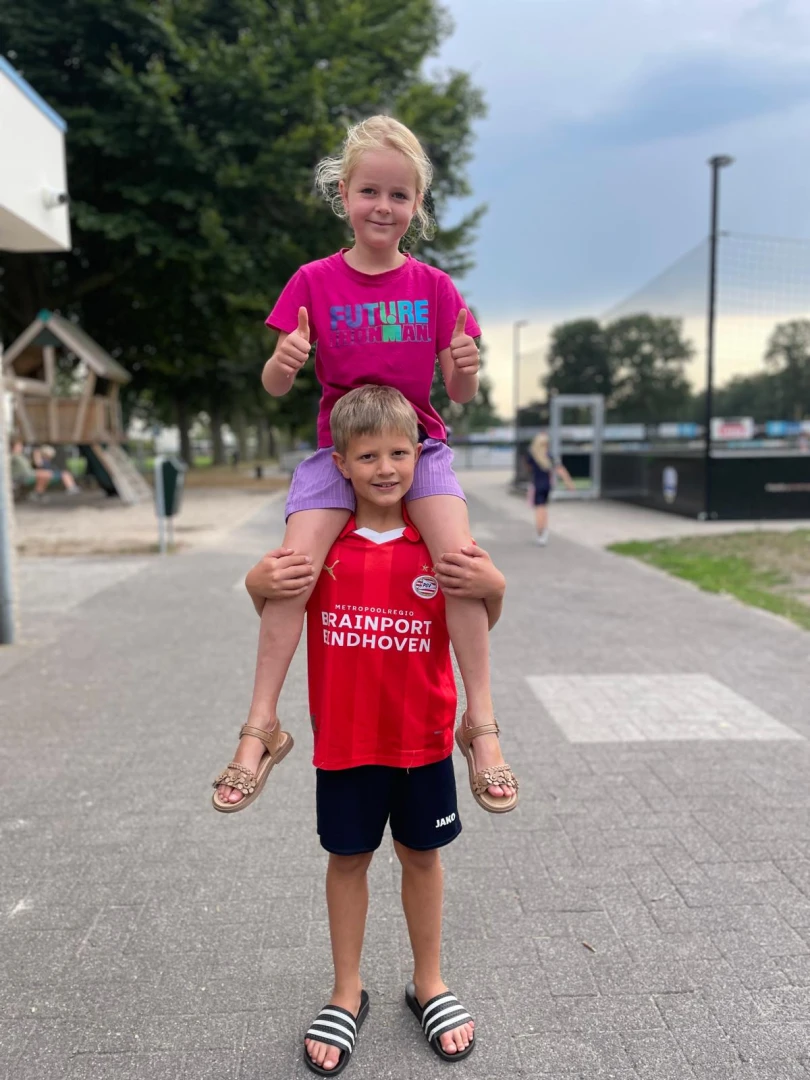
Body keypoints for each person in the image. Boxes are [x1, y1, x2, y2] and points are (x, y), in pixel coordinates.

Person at [214, 115, 514, 812]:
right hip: (338, 450)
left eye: (400, 196)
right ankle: (262, 725)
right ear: (344, 193)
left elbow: (458, 392)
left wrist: (466, 366)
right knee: (292, 571)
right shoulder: (313, 281)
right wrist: (281, 363)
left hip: (420, 444)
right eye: (370, 191)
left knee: (461, 561)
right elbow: (278, 384)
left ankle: (482, 722)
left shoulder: (437, 289)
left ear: (417, 205)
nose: (384, 207)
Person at [220, 387, 516, 1074]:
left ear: (422, 455)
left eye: (400, 452)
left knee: (421, 858)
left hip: (423, 742)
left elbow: (477, 623)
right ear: (340, 462)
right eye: (368, 455)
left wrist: (495, 585)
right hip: (346, 747)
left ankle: (429, 982)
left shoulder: (436, 546)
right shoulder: (324, 548)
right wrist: (251, 580)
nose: (386, 467)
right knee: (347, 862)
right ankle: (346, 992)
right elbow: (279, 614)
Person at [526, 433, 575, 546]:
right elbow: (560, 469)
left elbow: (529, 469)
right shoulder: (549, 456)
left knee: (539, 510)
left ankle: (540, 533)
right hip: (547, 485)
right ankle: (544, 533)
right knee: (544, 509)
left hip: (537, 485)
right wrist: (568, 482)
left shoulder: (532, 456)